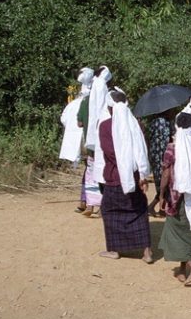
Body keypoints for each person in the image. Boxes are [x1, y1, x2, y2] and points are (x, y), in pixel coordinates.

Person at [95, 88, 153, 263]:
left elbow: (109, 152)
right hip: (135, 177)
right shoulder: (136, 124)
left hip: (115, 177)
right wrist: (140, 173)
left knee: (109, 210)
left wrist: (123, 163)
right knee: (139, 210)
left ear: (110, 107)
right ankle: (147, 251)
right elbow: (142, 150)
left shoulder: (105, 126)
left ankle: (114, 249)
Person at [158, 112, 191, 285]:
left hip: (176, 198)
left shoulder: (173, 148)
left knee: (174, 233)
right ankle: (182, 269)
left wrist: (161, 194)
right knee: (188, 234)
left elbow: (165, 174)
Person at [78, 66, 112, 218]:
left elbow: (79, 123)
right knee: (104, 173)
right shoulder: (107, 99)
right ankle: (104, 206)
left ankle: (91, 205)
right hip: (103, 144)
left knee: (91, 173)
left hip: (90, 143)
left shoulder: (85, 101)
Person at [60, 67, 93, 214]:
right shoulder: (92, 102)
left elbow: (64, 119)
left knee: (88, 170)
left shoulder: (74, 104)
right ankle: (90, 203)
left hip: (79, 143)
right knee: (93, 170)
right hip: (90, 142)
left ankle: (83, 201)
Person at [146, 112, 171, 216]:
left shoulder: (152, 123)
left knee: (160, 183)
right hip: (164, 155)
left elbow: (148, 138)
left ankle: (155, 207)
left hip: (154, 155)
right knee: (166, 183)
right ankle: (160, 208)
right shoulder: (168, 123)